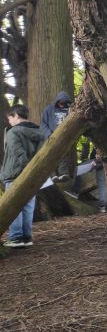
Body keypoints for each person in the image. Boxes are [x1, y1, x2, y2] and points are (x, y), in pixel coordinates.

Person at [2, 105, 47, 248]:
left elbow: (18, 153)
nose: (9, 121)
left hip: (15, 174)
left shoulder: (13, 132)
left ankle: (15, 238)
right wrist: (33, 171)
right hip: (33, 175)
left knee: (14, 206)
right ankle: (26, 237)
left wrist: (26, 170)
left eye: (10, 118)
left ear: (16, 115)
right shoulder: (40, 132)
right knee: (27, 206)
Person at [40, 91, 72, 182]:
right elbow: (43, 124)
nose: (63, 102)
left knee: (63, 155)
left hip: (64, 137)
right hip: (51, 137)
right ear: (58, 100)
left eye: (65, 101)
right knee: (50, 155)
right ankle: (53, 175)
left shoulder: (70, 110)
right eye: (62, 100)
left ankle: (63, 173)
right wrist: (49, 134)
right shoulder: (49, 109)